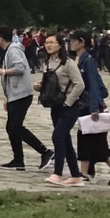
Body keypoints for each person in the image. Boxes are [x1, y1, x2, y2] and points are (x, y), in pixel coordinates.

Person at [71, 29, 110, 185]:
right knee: (88, 140)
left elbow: (92, 85)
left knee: (89, 139)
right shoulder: (79, 59)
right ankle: (107, 168)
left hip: (89, 105)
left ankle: (95, 170)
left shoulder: (88, 60)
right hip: (83, 103)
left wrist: (94, 107)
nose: (71, 43)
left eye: (73, 41)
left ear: (82, 42)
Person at [0, 26, 51, 171]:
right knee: (11, 127)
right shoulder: (9, 50)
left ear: (0, 37)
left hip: (22, 94)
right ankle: (18, 160)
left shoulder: (13, 50)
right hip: (15, 95)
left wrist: (2, 71)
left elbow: (21, 68)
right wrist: (8, 97)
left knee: (16, 127)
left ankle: (45, 152)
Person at [36, 32, 85, 186]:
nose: (48, 45)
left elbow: (80, 84)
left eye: (52, 42)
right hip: (55, 105)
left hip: (69, 106)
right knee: (65, 140)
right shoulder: (47, 62)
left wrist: (68, 102)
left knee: (57, 136)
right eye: (46, 42)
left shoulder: (68, 63)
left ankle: (57, 173)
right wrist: (40, 87)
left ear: (59, 44)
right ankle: (76, 176)